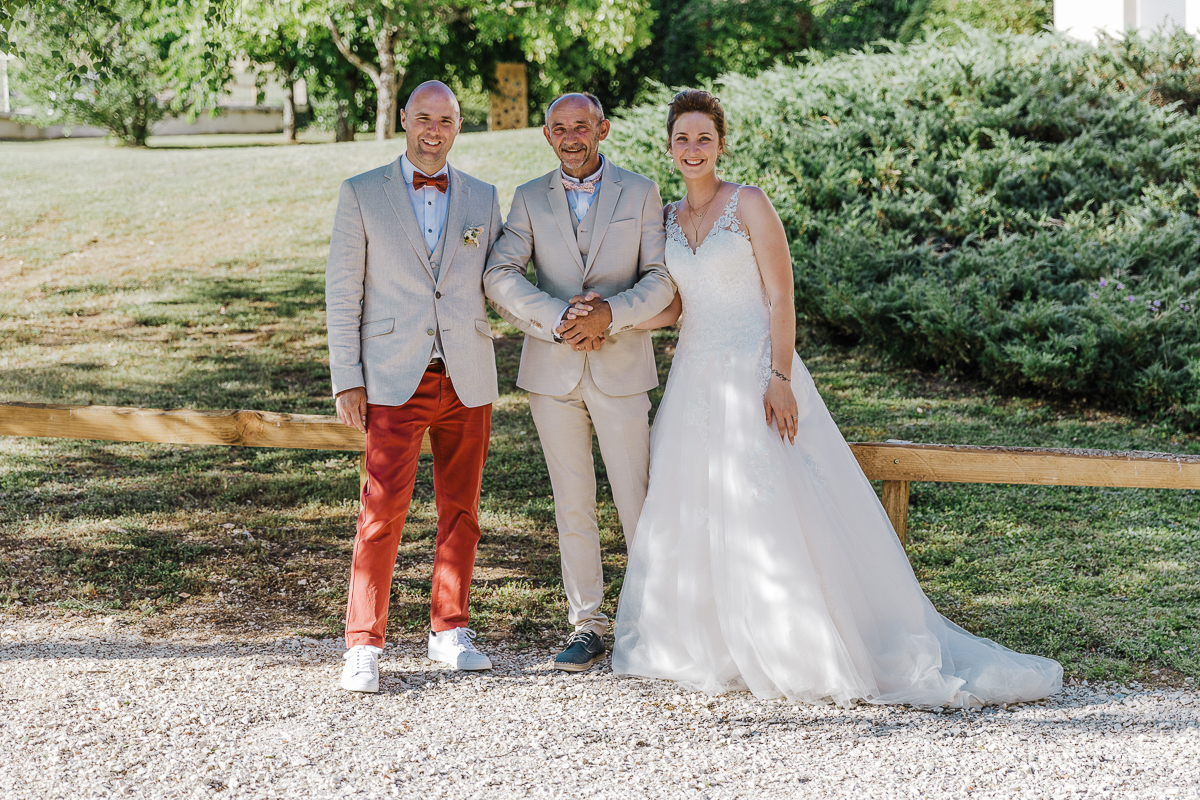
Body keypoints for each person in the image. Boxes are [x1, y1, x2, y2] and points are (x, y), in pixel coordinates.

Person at [594, 89, 1062, 707]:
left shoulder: (749, 204)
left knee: (768, 501)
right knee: (697, 503)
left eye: (704, 137)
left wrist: (780, 375)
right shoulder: (666, 219)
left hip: (755, 370)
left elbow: (781, 296)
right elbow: (677, 306)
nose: (693, 148)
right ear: (669, 145)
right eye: (683, 138)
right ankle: (712, 641)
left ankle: (797, 642)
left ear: (721, 143)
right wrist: (613, 320)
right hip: (694, 379)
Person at [483, 93, 676, 672]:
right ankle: (587, 624)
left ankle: (654, 623)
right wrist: (559, 319)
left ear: (603, 129)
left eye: (582, 126)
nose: (572, 137)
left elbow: (662, 276)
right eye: (560, 128)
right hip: (552, 371)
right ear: (547, 135)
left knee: (636, 498)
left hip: (622, 367)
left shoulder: (640, 191)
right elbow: (499, 273)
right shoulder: (528, 197)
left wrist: (609, 316)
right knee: (572, 503)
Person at [326, 81, 504, 693]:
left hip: (466, 375)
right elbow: (342, 293)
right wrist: (347, 378)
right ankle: (363, 644)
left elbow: (501, 280)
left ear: (459, 126)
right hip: (391, 377)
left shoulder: (483, 197)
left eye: (446, 120)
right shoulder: (361, 193)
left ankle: (450, 630)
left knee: (463, 511)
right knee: (380, 512)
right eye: (423, 117)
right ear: (404, 118)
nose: (434, 130)